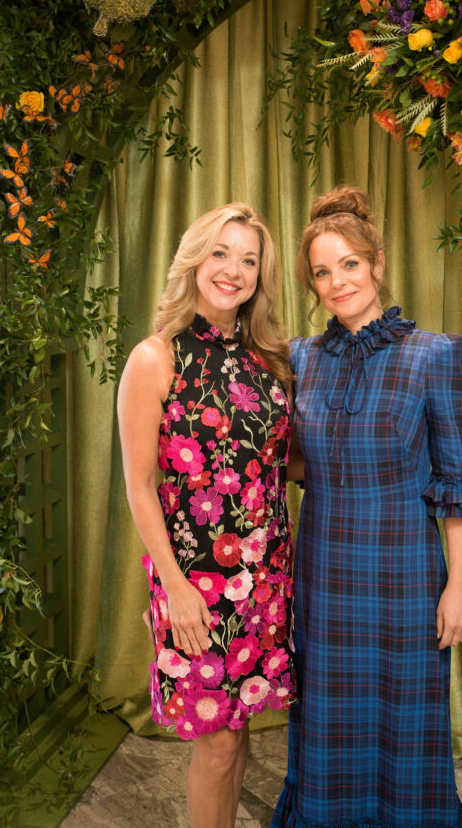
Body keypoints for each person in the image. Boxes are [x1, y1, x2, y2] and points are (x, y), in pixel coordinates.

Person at [271, 186, 462, 828]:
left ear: (377, 263)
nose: (337, 282)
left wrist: (460, 585)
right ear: (311, 284)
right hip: (325, 573)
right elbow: (289, 459)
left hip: (404, 574)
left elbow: (456, 479)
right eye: (321, 271)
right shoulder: (301, 361)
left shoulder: (435, 354)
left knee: (407, 719)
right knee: (327, 717)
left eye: (348, 264)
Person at [117, 203, 295, 828]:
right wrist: (173, 586)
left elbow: (286, 462)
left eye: (249, 259)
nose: (234, 270)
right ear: (195, 258)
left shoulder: (266, 360)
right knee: (216, 743)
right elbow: (139, 486)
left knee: (237, 736)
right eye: (221, 253)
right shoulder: (156, 357)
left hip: (264, 579)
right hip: (195, 581)